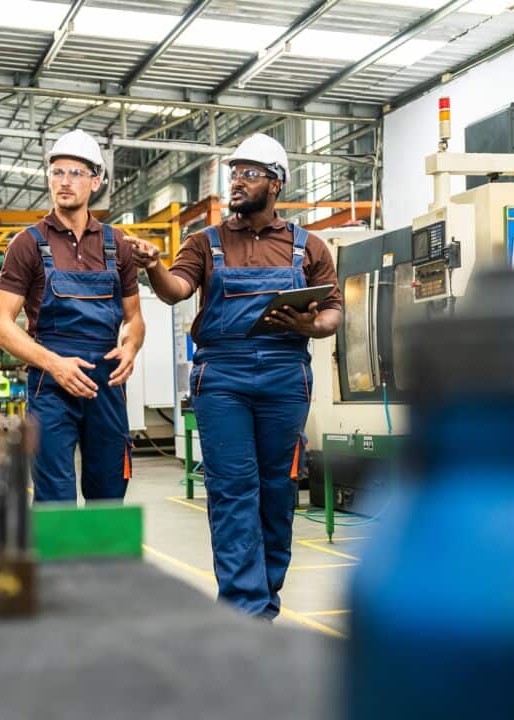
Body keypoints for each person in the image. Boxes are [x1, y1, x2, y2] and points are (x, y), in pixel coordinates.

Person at [130, 133, 342, 620]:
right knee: (232, 492)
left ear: (276, 183)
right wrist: (155, 266)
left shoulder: (308, 246)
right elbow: (175, 291)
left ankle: (264, 602)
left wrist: (309, 325)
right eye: (234, 173)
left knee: (277, 490)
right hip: (222, 376)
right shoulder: (205, 242)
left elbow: (332, 314)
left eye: (249, 173)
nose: (238, 182)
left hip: (286, 376)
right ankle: (241, 611)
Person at [0, 129, 144, 503]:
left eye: (75, 173)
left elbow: (134, 317)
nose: (64, 181)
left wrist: (131, 347)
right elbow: (1, 324)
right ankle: (58, 565)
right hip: (51, 384)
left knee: (108, 493)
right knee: (54, 497)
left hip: (106, 382)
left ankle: (104, 563)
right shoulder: (28, 244)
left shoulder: (117, 244)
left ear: (96, 180)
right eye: (57, 172)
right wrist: (54, 364)